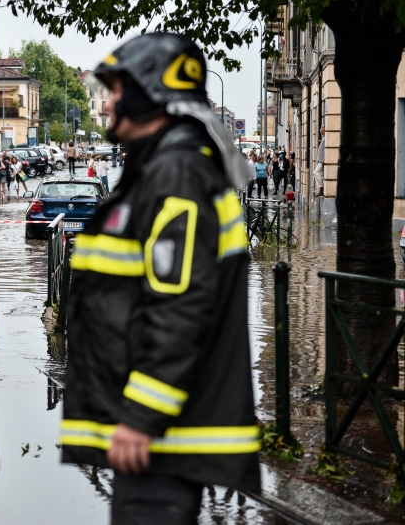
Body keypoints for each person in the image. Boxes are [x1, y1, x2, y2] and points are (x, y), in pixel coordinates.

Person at [61, 32, 260, 525]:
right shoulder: (162, 166)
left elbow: (180, 308)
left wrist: (140, 417)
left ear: (149, 92)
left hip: (159, 442)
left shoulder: (177, 173)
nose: (108, 104)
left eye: (117, 90)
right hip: (156, 438)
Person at [315, 125, 325, 197]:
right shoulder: (324, 137)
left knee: (316, 172)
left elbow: (327, 149)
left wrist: (324, 158)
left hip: (321, 161)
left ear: (325, 129)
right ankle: (321, 189)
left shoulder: (326, 138)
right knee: (320, 174)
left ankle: (322, 188)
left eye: (321, 128)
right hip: (320, 160)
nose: (320, 129)